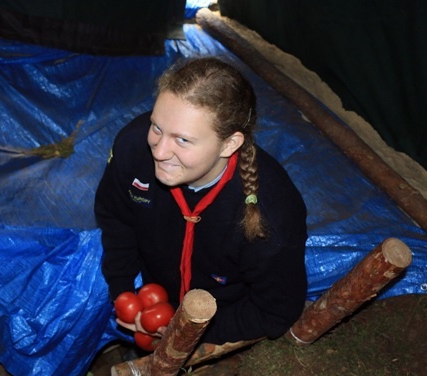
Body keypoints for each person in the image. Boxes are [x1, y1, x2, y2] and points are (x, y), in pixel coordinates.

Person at [94, 56, 308, 345]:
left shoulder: (272, 215)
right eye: (157, 127)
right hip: (155, 293)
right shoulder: (133, 149)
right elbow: (117, 219)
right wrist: (122, 289)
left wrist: (191, 334)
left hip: (223, 317)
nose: (158, 151)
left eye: (182, 140)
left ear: (230, 144)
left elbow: (276, 311)